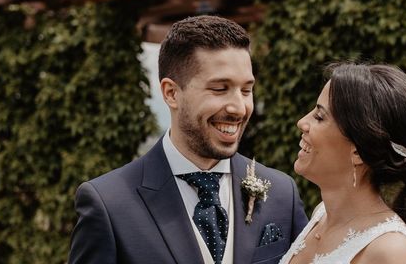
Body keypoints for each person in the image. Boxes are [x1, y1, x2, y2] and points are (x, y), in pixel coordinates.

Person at [68, 15, 308, 264]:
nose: (239, 107)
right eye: (219, 89)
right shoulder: (108, 204)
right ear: (171, 93)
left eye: (246, 90)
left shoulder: (282, 194)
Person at [280, 63, 406, 264]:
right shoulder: (322, 215)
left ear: (358, 151)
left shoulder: (391, 252)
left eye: (320, 116)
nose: (302, 122)